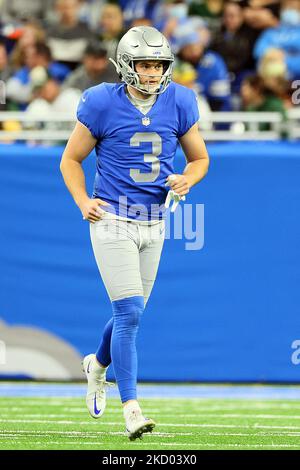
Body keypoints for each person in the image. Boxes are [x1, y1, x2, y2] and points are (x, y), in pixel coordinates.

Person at [60, 26, 209, 440]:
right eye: (145, 63)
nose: (152, 71)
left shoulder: (179, 99)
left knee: (132, 312)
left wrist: (187, 178)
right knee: (129, 313)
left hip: (155, 220)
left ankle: (97, 365)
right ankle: (131, 408)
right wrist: (81, 201)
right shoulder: (101, 102)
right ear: (127, 64)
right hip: (112, 218)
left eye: (159, 64)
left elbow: (200, 159)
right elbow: (70, 160)